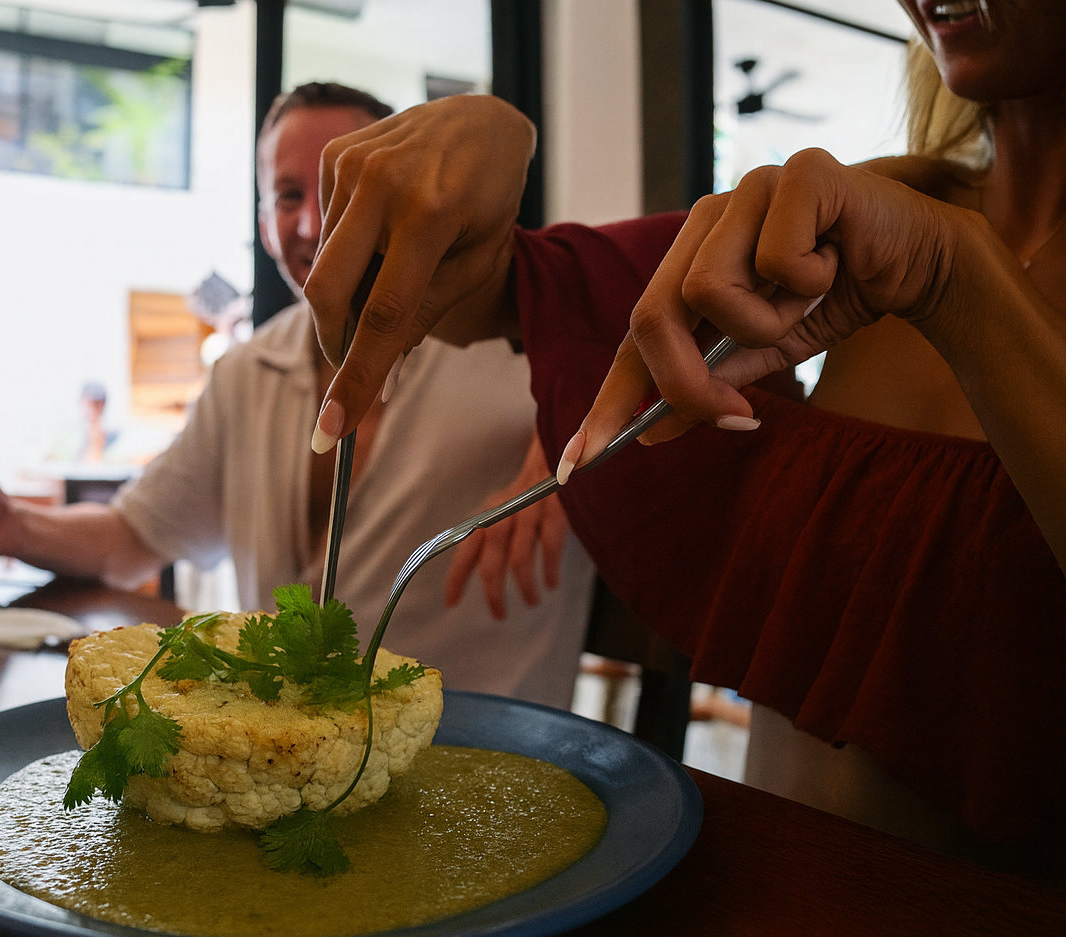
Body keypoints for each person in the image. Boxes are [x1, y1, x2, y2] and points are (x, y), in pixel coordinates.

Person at [301, 2, 1066, 871]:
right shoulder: (878, 213)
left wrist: (955, 278)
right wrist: (478, 139)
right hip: (773, 924)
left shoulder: (916, 244)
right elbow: (520, 291)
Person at [0, 83, 597, 708]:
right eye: (287, 195)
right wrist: (11, 524)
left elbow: (661, 333)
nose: (312, 226)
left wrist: (570, 439)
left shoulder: (518, 331)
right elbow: (131, 537)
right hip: (287, 766)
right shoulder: (244, 372)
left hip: (488, 767)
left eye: (342, 189)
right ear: (264, 219)